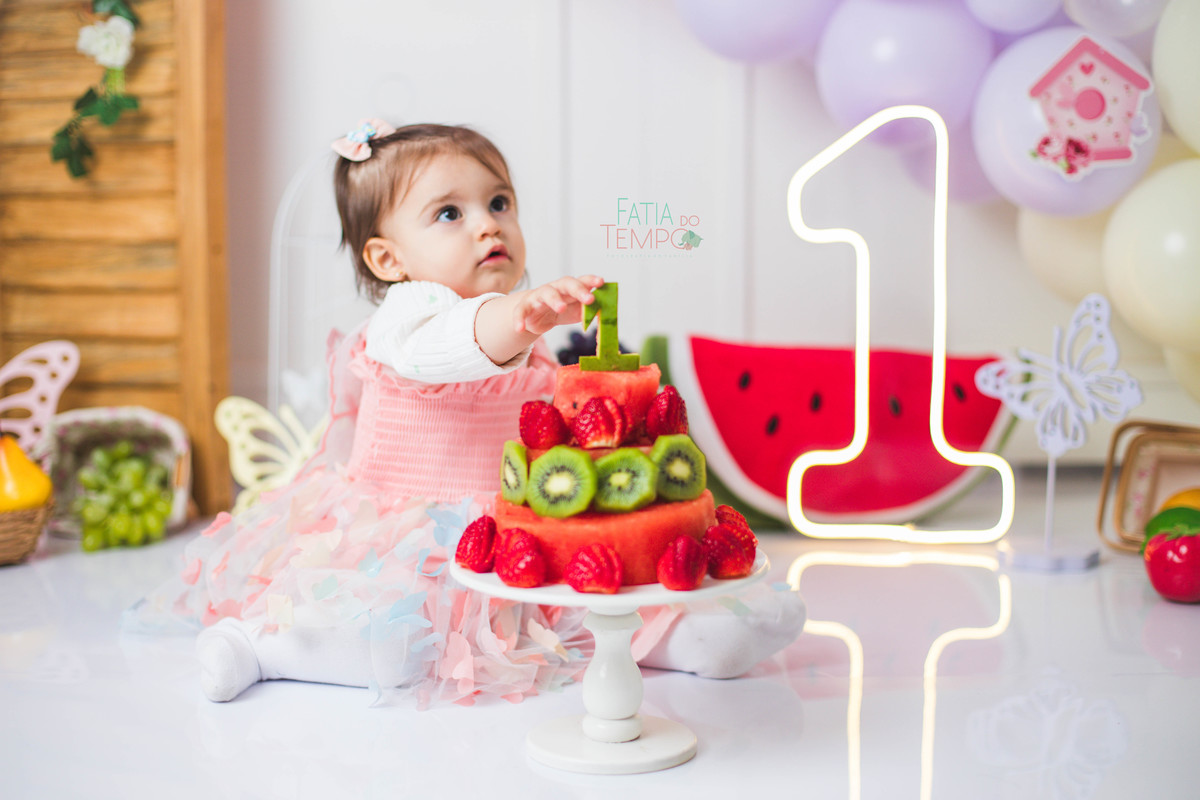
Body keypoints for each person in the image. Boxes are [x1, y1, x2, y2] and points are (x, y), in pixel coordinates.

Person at [127, 121, 803, 706]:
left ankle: (699, 637)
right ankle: (261, 645)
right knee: (393, 644)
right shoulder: (406, 319)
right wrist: (522, 315)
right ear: (388, 259)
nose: (488, 223)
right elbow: (452, 346)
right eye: (449, 213)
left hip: (516, 532)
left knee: (590, 607)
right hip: (409, 541)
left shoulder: (523, 333)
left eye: (499, 202)